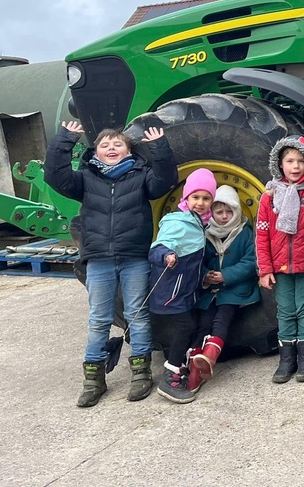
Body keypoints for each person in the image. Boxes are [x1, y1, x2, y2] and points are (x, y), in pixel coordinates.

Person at [44, 120, 176, 408]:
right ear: (95, 153)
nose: (111, 147)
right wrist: (66, 140)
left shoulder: (141, 177)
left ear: (129, 152)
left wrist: (160, 147)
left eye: (118, 144)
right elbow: (55, 175)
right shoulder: (84, 180)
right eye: (105, 144)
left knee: (137, 316)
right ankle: (94, 379)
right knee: (99, 320)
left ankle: (140, 375)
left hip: (133, 257)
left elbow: (165, 180)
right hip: (99, 260)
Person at [256, 135, 304, 384]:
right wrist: (265, 269)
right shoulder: (269, 196)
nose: (295, 166)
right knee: (285, 311)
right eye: (290, 161)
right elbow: (262, 234)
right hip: (280, 267)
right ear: (280, 164)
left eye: (300, 161)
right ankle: (287, 360)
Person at [148, 167, 216, 403]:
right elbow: (158, 247)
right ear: (185, 199)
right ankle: (170, 377)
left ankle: (179, 368)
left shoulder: (199, 223)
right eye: (195, 197)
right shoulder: (179, 221)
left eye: (206, 198)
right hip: (171, 291)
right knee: (185, 327)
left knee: (190, 325)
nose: (200, 202)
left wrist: (204, 276)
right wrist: (166, 255)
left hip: (185, 290)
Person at [187, 184, 259, 392]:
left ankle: (210, 356)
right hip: (209, 291)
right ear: (212, 213)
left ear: (237, 211)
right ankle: (194, 368)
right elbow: (196, 259)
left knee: (222, 318)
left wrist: (225, 275)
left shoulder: (244, 233)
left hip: (233, 290)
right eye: (219, 212)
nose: (225, 216)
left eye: (230, 211)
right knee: (203, 322)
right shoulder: (204, 232)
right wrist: (206, 276)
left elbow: (250, 261)